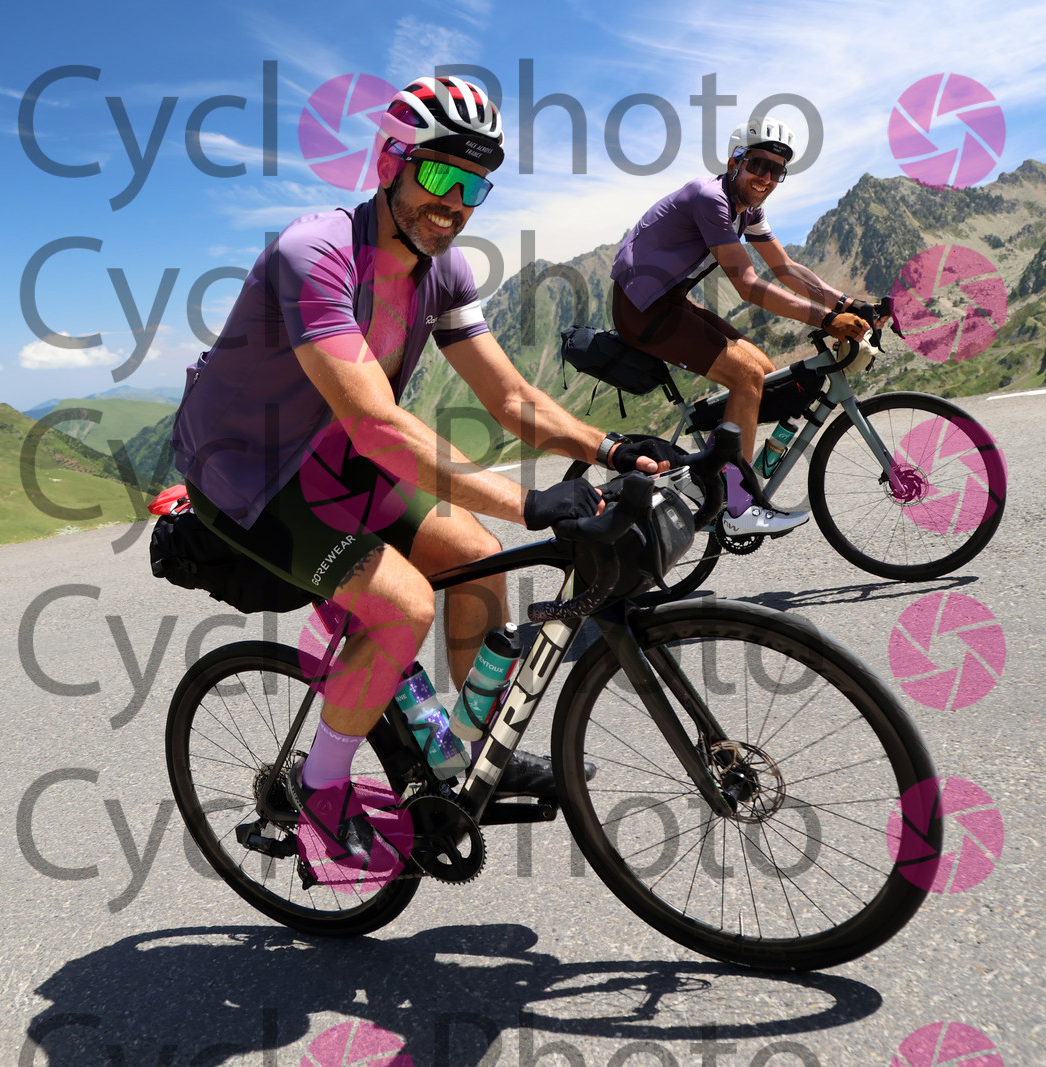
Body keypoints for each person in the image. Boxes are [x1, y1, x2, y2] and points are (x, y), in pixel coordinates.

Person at [168, 76, 679, 854]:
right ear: (390, 164)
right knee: (402, 606)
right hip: (249, 475)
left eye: (475, 186)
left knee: (477, 555)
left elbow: (511, 397)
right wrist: (529, 501)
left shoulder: (445, 273)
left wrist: (607, 447)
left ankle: (466, 753)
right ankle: (317, 791)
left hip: (335, 460)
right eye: (441, 174)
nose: (456, 202)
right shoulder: (316, 254)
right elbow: (376, 424)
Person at [609, 116, 877, 537]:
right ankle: (737, 505)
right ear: (735, 162)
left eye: (776, 171)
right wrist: (826, 319)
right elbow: (748, 285)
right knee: (747, 376)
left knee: (765, 373)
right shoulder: (710, 198)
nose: (765, 178)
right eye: (758, 165)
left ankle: (712, 471)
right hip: (641, 309)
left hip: (669, 301)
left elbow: (785, 268)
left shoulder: (748, 211)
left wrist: (846, 303)